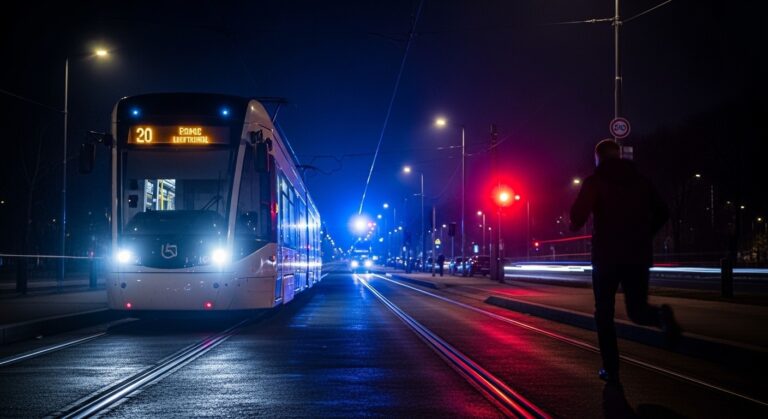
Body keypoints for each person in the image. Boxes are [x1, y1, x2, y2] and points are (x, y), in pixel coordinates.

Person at [570, 139, 681, 386]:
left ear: (598, 158)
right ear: (619, 155)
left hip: (606, 256)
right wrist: (645, 234)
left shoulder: (595, 182)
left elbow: (577, 217)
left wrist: (574, 221)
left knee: (604, 314)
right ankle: (661, 316)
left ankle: (611, 369)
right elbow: (663, 212)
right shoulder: (641, 181)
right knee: (638, 310)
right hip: (637, 255)